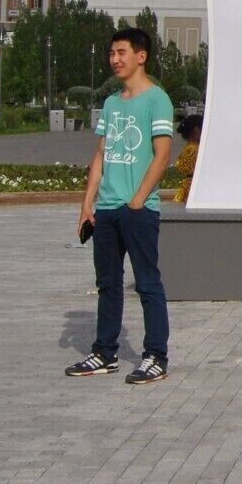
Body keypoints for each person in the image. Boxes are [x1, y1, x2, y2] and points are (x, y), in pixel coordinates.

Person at [67, 27, 176, 385]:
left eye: (121, 52)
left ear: (141, 56)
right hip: (107, 211)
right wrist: (88, 202)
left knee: (147, 283)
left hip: (138, 210)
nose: (115, 59)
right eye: (112, 53)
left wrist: (138, 200)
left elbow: (163, 155)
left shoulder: (157, 100)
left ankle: (156, 356)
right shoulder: (112, 104)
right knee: (108, 284)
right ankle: (104, 352)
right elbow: (101, 153)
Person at [166, 113, 202, 203]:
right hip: (193, 189)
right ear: (197, 130)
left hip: (187, 187)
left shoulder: (190, 147)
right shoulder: (194, 149)